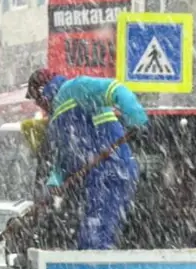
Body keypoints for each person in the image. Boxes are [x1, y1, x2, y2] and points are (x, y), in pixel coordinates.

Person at [24, 68, 149, 250]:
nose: (39, 106)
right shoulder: (56, 119)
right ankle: (93, 268)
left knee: (96, 233)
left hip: (111, 170)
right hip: (93, 179)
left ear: (43, 91)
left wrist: (136, 118)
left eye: (37, 99)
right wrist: (53, 186)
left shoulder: (75, 88)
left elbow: (115, 89)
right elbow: (62, 161)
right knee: (89, 233)